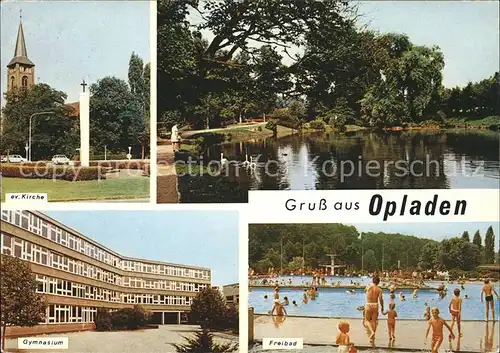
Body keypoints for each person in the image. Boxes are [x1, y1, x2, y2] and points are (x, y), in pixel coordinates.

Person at [364, 276, 384, 341]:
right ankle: (372, 337)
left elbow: (365, 290)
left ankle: (371, 332)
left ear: (372, 281)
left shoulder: (368, 287)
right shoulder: (379, 289)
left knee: (366, 320)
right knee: (374, 321)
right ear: (378, 282)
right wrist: (382, 307)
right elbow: (381, 299)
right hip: (375, 305)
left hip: (368, 304)